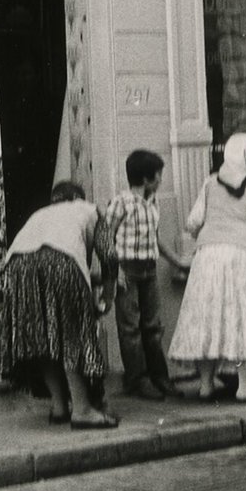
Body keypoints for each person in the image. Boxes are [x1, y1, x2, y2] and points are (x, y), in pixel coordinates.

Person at [168, 132, 246, 403]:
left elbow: (193, 222)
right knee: (241, 317)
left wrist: (214, 226)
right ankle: (245, 387)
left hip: (207, 255)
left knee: (207, 317)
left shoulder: (210, 182)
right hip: (240, 254)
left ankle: (206, 385)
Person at [0, 181, 120, 429]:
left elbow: (45, 256)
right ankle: (82, 410)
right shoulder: (89, 210)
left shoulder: (41, 214)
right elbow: (108, 255)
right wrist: (109, 294)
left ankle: (59, 407)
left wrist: (91, 279)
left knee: (43, 337)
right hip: (61, 265)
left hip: (17, 269)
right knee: (71, 336)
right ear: (77, 197)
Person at [104, 149, 183, 400]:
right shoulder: (121, 202)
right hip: (127, 269)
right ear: (146, 179)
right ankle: (138, 379)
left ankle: (160, 377)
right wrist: (113, 272)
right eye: (158, 175)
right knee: (130, 328)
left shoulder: (153, 202)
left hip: (149, 268)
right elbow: (106, 239)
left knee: (152, 326)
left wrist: (177, 261)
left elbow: (155, 239)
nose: (161, 180)